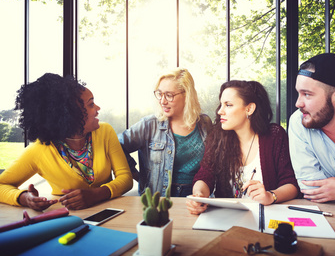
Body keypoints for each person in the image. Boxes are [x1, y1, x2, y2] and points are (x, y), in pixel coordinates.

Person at [0, 73, 133, 211]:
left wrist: (95, 195)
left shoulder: (105, 132)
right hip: (67, 219)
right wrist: (25, 198)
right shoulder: (39, 150)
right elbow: (1, 185)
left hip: (111, 214)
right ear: (71, 114)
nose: (98, 109)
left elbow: (125, 178)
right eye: (91, 104)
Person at [187, 80, 299, 215]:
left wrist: (271, 196)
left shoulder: (274, 135)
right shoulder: (217, 136)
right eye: (221, 104)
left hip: (267, 216)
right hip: (227, 216)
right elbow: (205, 175)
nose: (220, 111)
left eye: (228, 105)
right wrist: (199, 195)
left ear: (249, 108)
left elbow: (291, 184)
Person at [118, 68, 212, 197]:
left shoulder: (204, 123)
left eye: (169, 95)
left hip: (197, 195)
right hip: (159, 198)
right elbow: (117, 146)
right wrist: (134, 174)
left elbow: (212, 164)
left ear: (187, 95)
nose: (162, 101)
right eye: (160, 94)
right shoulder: (148, 125)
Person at [288, 53, 335, 203]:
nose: (298, 103)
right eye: (298, 93)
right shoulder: (299, 122)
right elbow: (312, 190)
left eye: (307, 94)